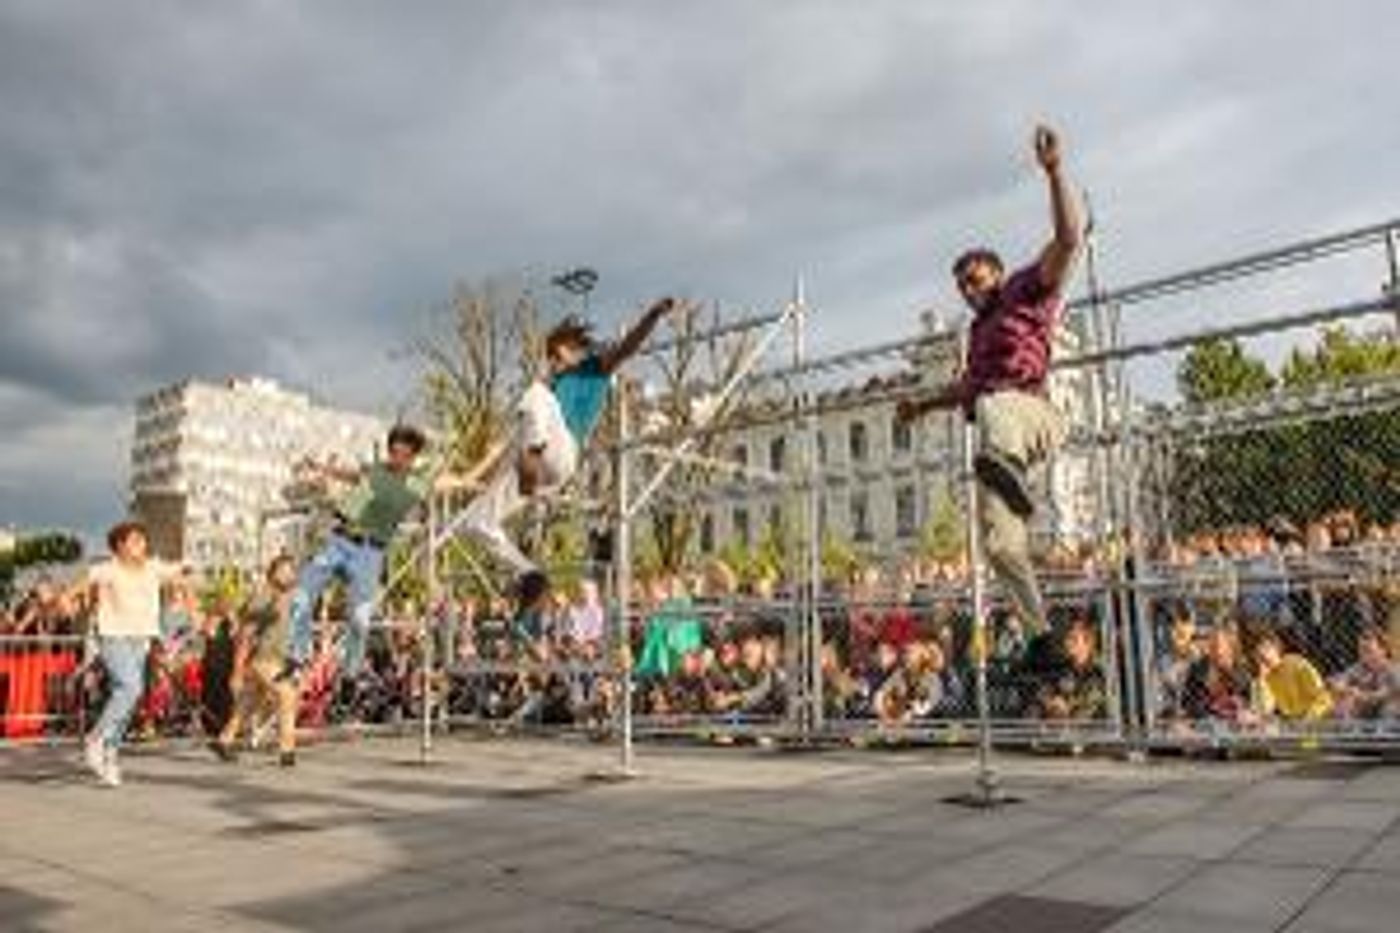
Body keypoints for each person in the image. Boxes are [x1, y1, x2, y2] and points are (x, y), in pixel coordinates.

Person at [896, 125, 1082, 634]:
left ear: (997, 275)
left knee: (996, 405)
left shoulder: (1026, 290)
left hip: (1035, 416)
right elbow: (964, 390)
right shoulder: (976, 336)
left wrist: (1054, 171)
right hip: (999, 441)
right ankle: (1043, 639)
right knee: (999, 545)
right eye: (961, 287)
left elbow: (1069, 238)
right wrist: (921, 406)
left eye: (974, 281)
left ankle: (1008, 468)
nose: (968, 292)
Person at [456, 297, 677, 602]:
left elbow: (628, 347)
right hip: (539, 471)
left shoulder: (595, 367)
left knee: (536, 394)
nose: (554, 364)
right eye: (551, 359)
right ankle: (529, 573)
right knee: (473, 523)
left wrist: (652, 316)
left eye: (558, 357)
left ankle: (530, 461)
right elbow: (503, 445)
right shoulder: (551, 388)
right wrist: (473, 477)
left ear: (576, 351)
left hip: (562, 452)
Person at [280, 424, 440, 682]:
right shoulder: (375, 471)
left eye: (404, 455)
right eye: (394, 453)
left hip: (370, 553)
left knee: (359, 620)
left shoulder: (416, 484)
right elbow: (348, 474)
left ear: (412, 458)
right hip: (340, 541)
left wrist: (478, 478)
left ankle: (350, 673)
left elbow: (452, 480)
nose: (397, 459)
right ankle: (297, 656)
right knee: (301, 596)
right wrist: (321, 467)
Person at [77, 521, 187, 787]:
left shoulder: (152, 567)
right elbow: (79, 586)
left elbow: (179, 573)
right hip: (113, 636)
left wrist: (186, 575)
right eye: (134, 540)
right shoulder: (107, 569)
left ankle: (110, 755)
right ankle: (96, 739)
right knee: (130, 686)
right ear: (120, 546)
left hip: (142, 639)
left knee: (128, 697)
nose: (141, 545)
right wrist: (67, 598)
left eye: (143, 540)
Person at [211, 555, 300, 767]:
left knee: (247, 704)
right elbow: (246, 633)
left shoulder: (286, 597)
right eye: (284, 570)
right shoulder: (264, 597)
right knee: (288, 695)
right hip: (262, 658)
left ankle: (225, 740)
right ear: (272, 572)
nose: (289, 574)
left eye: (291, 570)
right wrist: (238, 668)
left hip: (277, 658)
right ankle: (287, 750)